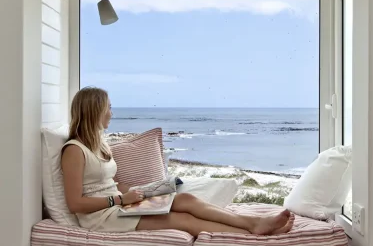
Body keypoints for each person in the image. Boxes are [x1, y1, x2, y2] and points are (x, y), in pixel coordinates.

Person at [61, 87, 294, 237]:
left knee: (185, 199)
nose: (111, 113)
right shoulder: (74, 150)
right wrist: (121, 199)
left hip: (119, 204)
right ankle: (249, 234)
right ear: (94, 111)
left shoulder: (100, 144)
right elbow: (75, 204)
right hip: (101, 217)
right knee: (181, 220)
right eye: (108, 108)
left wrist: (144, 192)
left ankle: (253, 222)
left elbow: (109, 183)